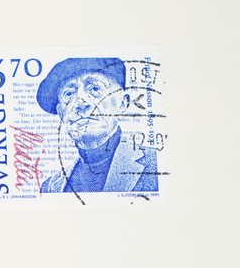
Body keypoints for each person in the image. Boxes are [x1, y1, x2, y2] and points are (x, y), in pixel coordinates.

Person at [37, 57, 158, 193]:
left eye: (95, 88)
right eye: (69, 94)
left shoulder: (156, 164)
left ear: (123, 103)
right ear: (61, 113)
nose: (80, 103)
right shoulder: (50, 187)